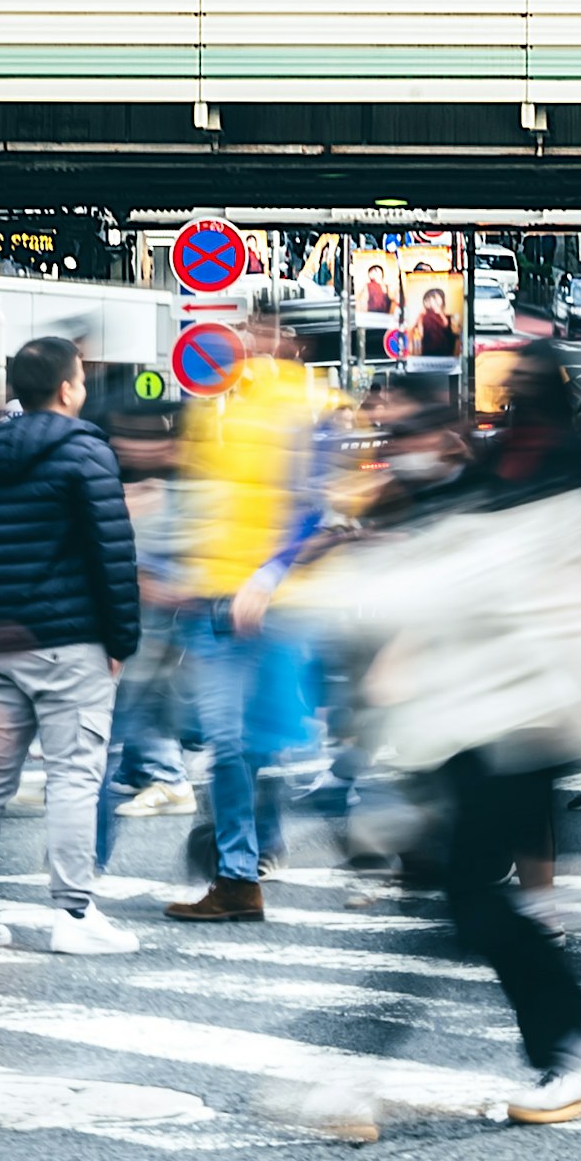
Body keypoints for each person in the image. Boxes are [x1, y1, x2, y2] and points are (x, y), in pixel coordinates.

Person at [280, 349, 581, 1135]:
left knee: (470, 898)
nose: (397, 443)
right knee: (467, 901)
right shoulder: (497, 484)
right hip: (469, 727)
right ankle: (576, 1041)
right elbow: (438, 588)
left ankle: (574, 1049)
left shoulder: (558, 493)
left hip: (515, 725)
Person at [0, 336, 145, 955]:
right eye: (80, 379)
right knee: (75, 776)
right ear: (66, 388)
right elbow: (113, 553)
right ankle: (74, 916)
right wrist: (121, 639)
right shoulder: (85, 453)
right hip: (68, 641)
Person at [146, 303, 331, 923]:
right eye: (249, 331)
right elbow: (195, 500)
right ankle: (237, 876)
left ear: (291, 343)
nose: (255, 343)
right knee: (229, 743)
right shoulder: (209, 406)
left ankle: (257, 856)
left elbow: (314, 504)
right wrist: (178, 580)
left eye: (268, 333)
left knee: (265, 740)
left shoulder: (307, 405)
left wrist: (269, 574)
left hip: (274, 605)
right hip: (212, 603)